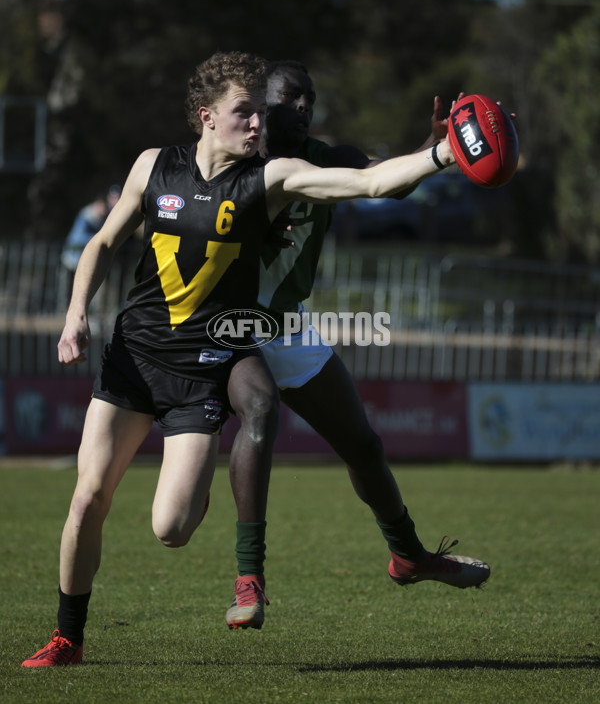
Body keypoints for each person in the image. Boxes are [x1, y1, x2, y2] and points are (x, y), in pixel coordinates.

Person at [22, 49, 464, 668]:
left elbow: (370, 182)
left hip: (209, 358)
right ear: (207, 116)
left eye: (263, 112)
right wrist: (74, 315)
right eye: (247, 112)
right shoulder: (155, 165)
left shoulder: (273, 176)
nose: (261, 123)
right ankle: (69, 635)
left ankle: (216, 493)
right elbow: (101, 240)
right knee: (87, 498)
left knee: (172, 529)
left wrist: (442, 154)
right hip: (139, 350)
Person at [257, 59, 490, 596]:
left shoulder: (325, 158)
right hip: (220, 325)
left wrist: (430, 153)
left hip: (288, 327)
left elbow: (383, 181)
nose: (304, 106)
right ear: (259, 101)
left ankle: (409, 555)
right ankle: (249, 575)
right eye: (292, 96)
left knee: (362, 445)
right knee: (228, 447)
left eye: (310, 99)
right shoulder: (234, 161)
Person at [58, 185, 122, 310]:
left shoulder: (101, 217)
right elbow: (78, 237)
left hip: (86, 261)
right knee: (70, 291)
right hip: (72, 259)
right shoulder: (87, 216)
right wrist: (99, 237)